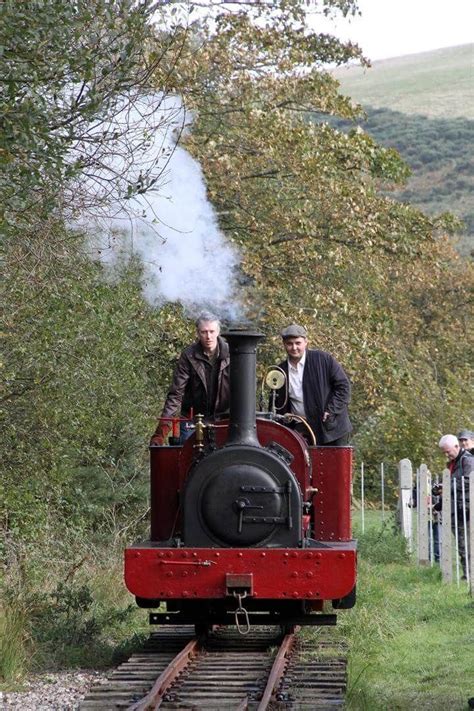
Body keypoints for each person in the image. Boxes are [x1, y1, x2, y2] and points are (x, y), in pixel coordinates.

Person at [151, 312, 230, 445]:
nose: (208, 336)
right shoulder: (188, 356)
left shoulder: (232, 354)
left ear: (218, 332)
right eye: (204, 332)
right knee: (186, 458)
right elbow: (176, 395)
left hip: (223, 419)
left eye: (211, 331)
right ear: (198, 333)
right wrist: (160, 434)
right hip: (192, 419)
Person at [274, 323, 352, 446]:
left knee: (333, 464)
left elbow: (343, 387)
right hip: (301, 429)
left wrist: (331, 410)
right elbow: (277, 403)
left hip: (331, 428)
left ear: (306, 342)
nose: (294, 347)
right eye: (290, 344)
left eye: (298, 343)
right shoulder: (280, 371)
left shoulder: (323, 359)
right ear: (284, 344)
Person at [438, 434, 473, 579]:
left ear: (457, 447)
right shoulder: (452, 463)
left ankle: (470, 575)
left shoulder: (468, 461)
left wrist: (446, 485)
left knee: (468, 543)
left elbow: (467, 482)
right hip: (456, 508)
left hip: (467, 509)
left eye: (448, 451)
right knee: (461, 544)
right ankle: (468, 574)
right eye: (444, 452)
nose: (446, 455)